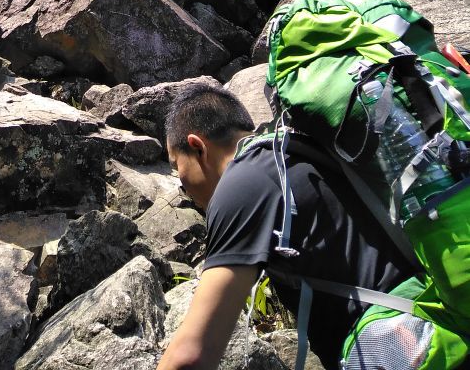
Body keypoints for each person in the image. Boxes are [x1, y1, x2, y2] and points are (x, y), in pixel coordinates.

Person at [157, 82, 416, 370]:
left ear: (197, 147)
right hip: (425, 321)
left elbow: (191, 355)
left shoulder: (242, 185)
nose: (183, 186)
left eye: (177, 167)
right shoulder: (298, 152)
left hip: (397, 350)